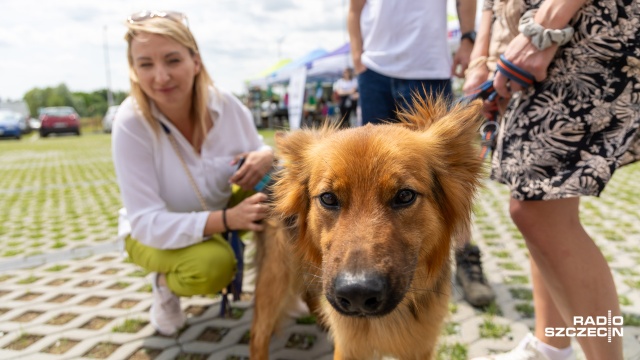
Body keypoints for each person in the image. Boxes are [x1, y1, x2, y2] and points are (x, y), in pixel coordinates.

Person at [468, 0, 640, 359]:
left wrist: (545, 26)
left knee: (536, 209)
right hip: (531, 30)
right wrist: (481, 58)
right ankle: (551, 346)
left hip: (575, 23)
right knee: (541, 201)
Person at [112, 10, 274, 336]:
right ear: (134, 69)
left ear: (195, 62)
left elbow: (260, 151)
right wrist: (228, 221)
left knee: (278, 185)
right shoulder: (130, 123)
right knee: (212, 266)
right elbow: (146, 222)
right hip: (153, 234)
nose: (161, 76)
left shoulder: (226, 106)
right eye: (146, 64)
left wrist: (266, 156)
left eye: (173, 60)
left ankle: (287, 284)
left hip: (217, 210)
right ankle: (163, 285)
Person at [348, 0, 496, 308]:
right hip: (374, 70)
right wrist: (358, 58)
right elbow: (355, 8)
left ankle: (464, 257)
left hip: (429, 65)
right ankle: (371, 263)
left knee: (449, 179)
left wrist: (468, 38)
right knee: (374, 182)